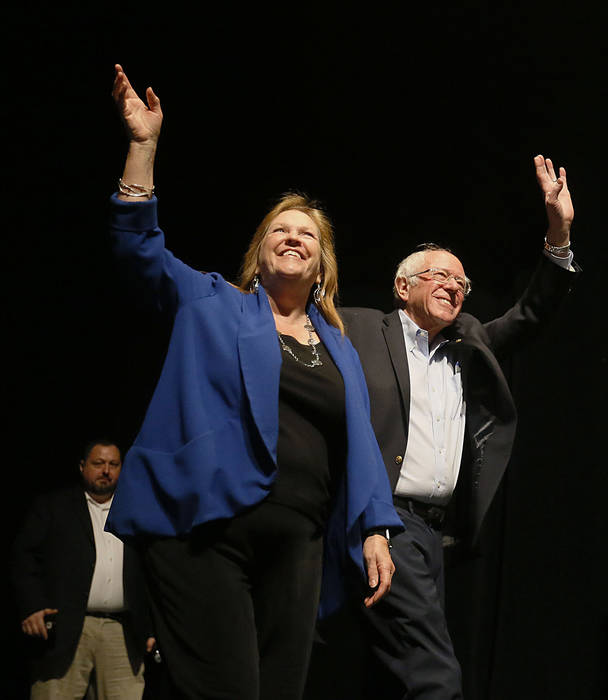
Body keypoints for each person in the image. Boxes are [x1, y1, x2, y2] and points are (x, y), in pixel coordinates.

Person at [104, 64, 402, 700]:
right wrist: (143, 147)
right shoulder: (212, 302)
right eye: (280, 230)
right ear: (259, 251)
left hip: (298, 545)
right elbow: (139, 251)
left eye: (307, 235)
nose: (293, 239)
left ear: (322, 262)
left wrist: (374, 526)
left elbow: (358, 443)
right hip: (209, 530)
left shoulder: (339, 345)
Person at [337, 155, 578, 699]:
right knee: (434, 675)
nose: (454, 285)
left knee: (394, 674)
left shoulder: (467, 347)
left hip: (433, 532)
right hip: (382, 521)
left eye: (461, 280)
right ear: (402, 287)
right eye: (439, 275)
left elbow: (533, 313)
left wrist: (558, 232)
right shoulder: (359, 329)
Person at [12, 440, 154, 699]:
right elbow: (23, 558)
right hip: (66, 628)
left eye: (113, 464)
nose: (106, 471)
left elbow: (153, 571)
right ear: (82, 466)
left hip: (121, 631)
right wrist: (32, 606)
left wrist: (152, 627)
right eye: (98, 463)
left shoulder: (136, 512)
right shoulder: (54, 507)